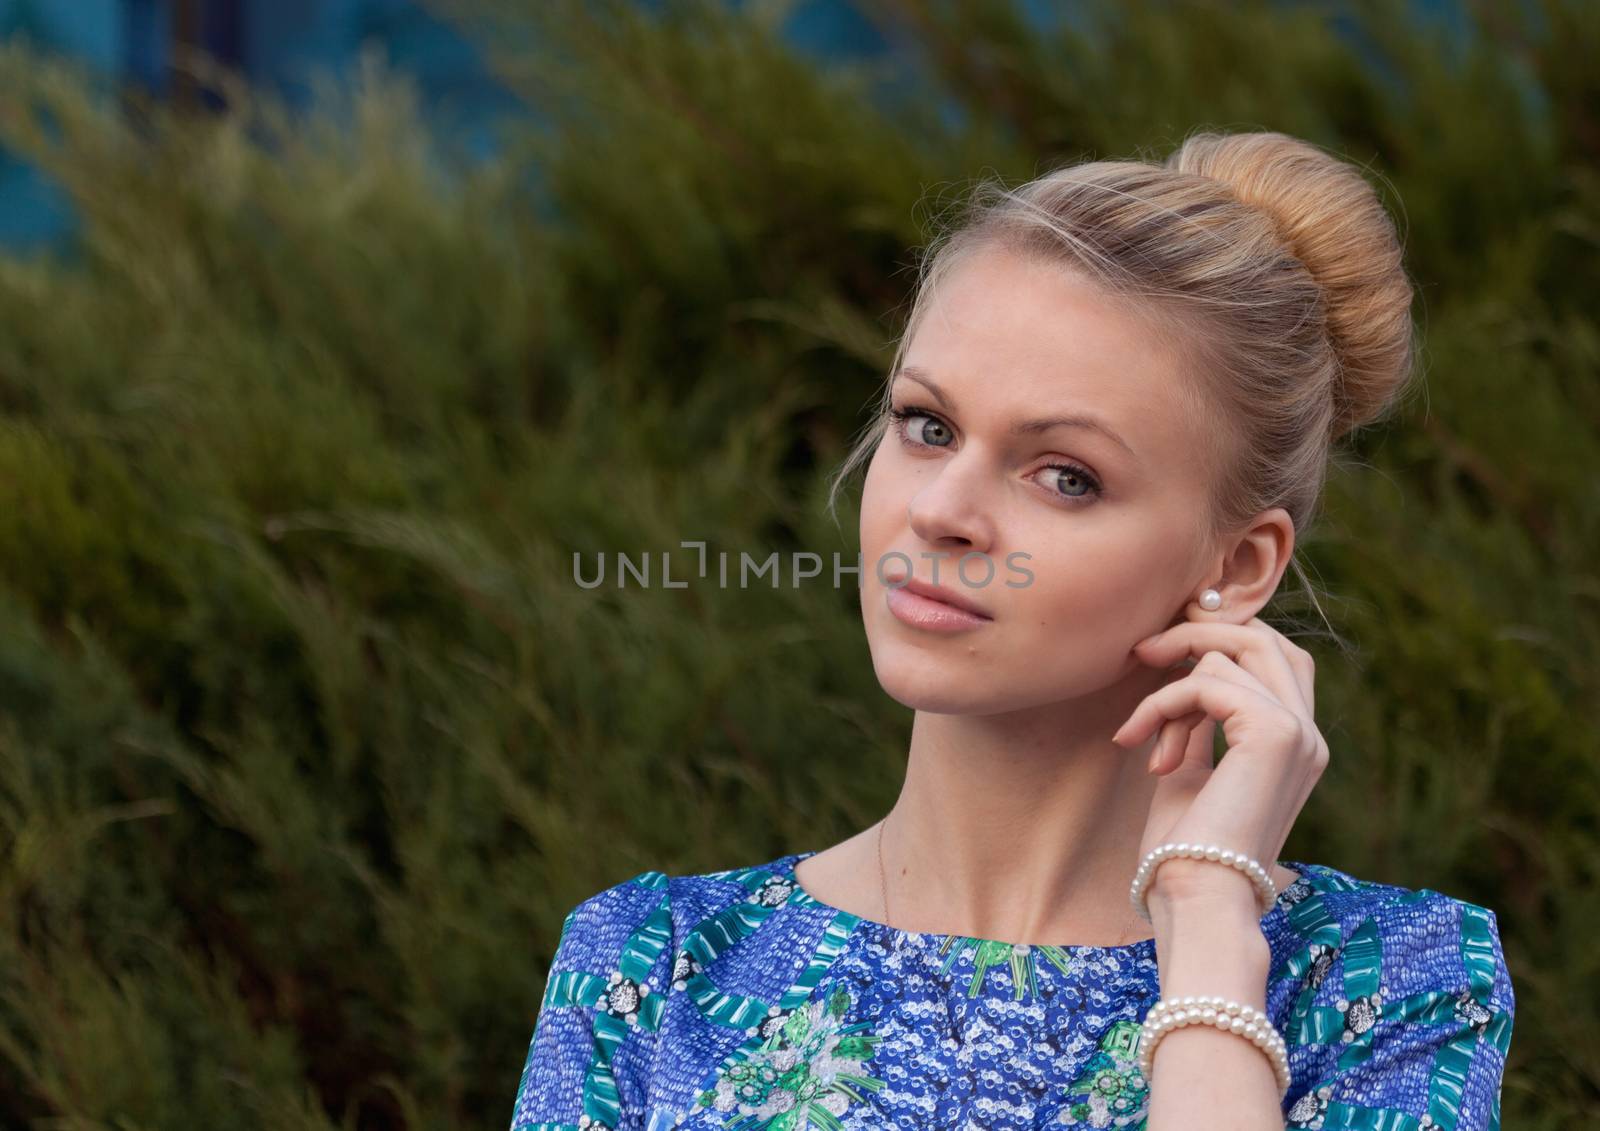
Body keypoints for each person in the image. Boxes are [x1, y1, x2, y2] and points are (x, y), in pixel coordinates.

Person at [506, 130, 1515, 1131]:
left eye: (1064, 476)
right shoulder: (655, 968)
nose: (941, 508)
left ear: (1235, 566)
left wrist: (1207, 918)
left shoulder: (1394, 987)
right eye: (926, 425)